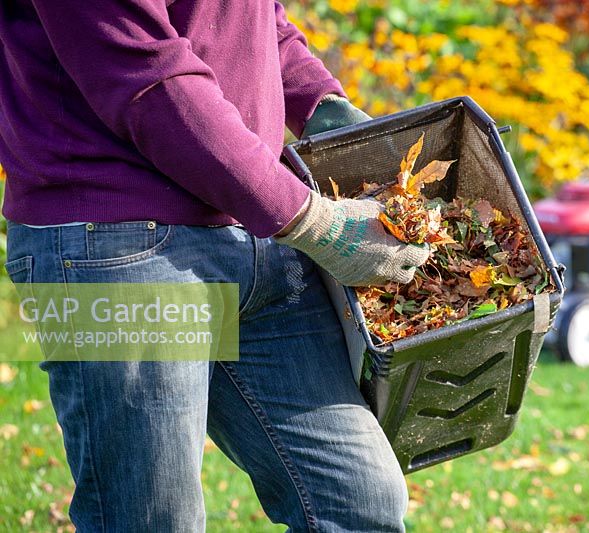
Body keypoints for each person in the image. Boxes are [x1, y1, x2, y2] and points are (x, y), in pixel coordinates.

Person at [0, 1, 428, 531]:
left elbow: (252, 20)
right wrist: (314, 221)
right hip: (120, 242)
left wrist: (322, 103)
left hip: (256, 234)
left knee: (360, 506)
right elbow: (147, 77)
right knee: (152, 520)